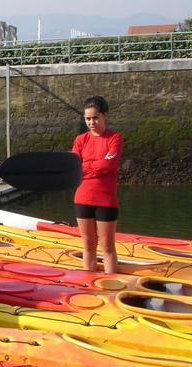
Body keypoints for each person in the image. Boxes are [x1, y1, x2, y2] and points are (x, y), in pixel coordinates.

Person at [73, 95, 122, 274]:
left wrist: (86, 167)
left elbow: (109, 164)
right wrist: (97, 166)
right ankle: (89, 285)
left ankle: (111, 285)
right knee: (88, 245)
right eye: (88, 119)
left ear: (104, 115)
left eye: (95, 117)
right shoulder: (80, 140)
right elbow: (74, 167)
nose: (91, 122)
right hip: (83, 197)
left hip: (106, 199)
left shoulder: (114, 138)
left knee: (107, 246)